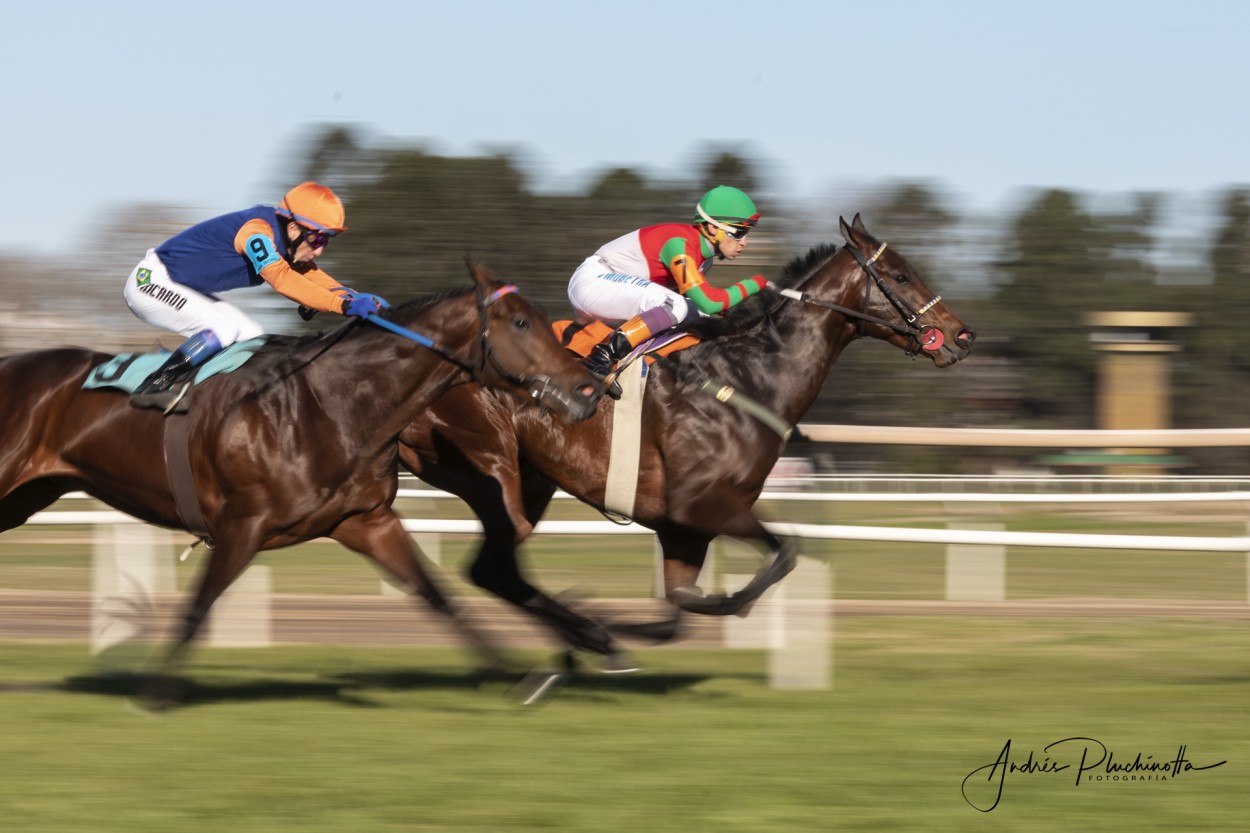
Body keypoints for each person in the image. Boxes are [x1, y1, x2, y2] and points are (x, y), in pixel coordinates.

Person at [123, 181, 388, 411]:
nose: (319, 250)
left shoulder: (288, 243)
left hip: (182, 286)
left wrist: (354, 297)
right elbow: (282, 278)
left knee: (251, 336)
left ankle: (207, 393)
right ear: (294, 228)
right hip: (150, 282)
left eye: (326, 242)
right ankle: (154, 386)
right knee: (223, 328)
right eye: (317, 240)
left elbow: (314, 277)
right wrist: (342, 305)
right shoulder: (257, 232)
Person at [568, 185, 769, 385]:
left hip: (613, 290)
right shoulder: (679, 244)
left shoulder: (704, 260)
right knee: (677, 305)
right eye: (738, 232)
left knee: (697, 315)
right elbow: (709, 301)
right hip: (593, 281)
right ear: (713, 228)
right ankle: (600, 358)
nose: (744, 242)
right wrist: (753, 285)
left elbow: (703, 305)